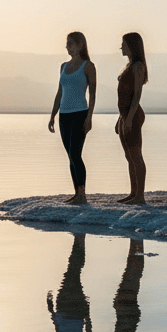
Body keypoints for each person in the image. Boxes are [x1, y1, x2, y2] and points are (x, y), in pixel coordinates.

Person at [47, 31, 97, 204]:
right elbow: (60, 92)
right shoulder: (63, 67)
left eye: (70, 43)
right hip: (64, 116)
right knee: (70, 155)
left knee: (76, 153)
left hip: (80, 113)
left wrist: (89, 117)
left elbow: (93, 94)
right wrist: (53, 115)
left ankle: (83, 194)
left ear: (80, 45)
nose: (67, 47)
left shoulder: (88, 66)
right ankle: (77, 193)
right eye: (66, 44)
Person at [115, 32, 148, 203]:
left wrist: (129, 119)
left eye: (124, 44)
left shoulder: (137, 66)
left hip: (133, 115)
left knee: (136, 155)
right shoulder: (128, 65)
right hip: (124, 115)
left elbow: (137, 96)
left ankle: (140, 196)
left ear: (132, 46)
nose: (121, 47)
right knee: (129, 156)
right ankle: (133, 193)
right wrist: (120, 119)